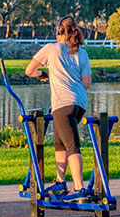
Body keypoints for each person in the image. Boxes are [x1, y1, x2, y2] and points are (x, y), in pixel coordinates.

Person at [25, 16, 92, 203]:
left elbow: (29, 71)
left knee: (71, 145)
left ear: (59, 32)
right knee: (59, 142)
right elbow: (86, 83)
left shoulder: (50, 49)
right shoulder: (81, 53)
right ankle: (60, 182)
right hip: (80, 103)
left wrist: (42, 75)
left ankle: (78, 187)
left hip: (63, 103)